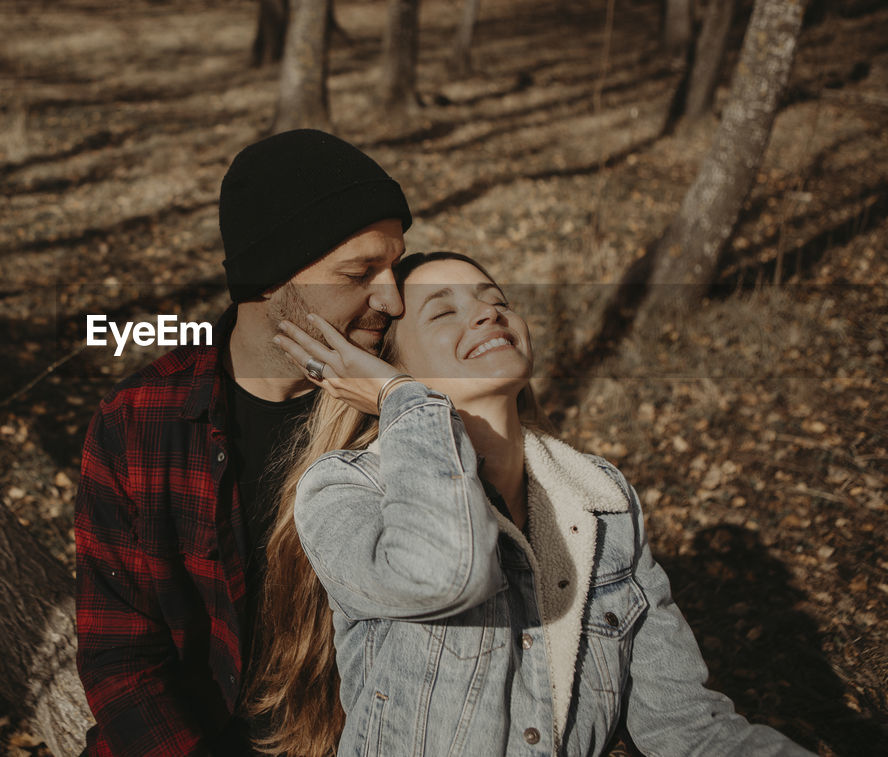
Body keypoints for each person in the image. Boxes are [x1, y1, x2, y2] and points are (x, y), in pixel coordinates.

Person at [252, 251, 815, 757]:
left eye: (496, 301)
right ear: (388, 366)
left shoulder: (600, 502)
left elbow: (689, 729)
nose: (488, 314)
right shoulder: (347, 490)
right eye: (444, 313)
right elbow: (444, 574)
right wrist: (406, 402)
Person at [74, 129, 413, 755]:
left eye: (394, 266)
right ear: (267, 278)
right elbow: (120, 655)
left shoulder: (399, 414)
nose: (392, 300)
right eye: (360, 272)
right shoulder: (140, 421)